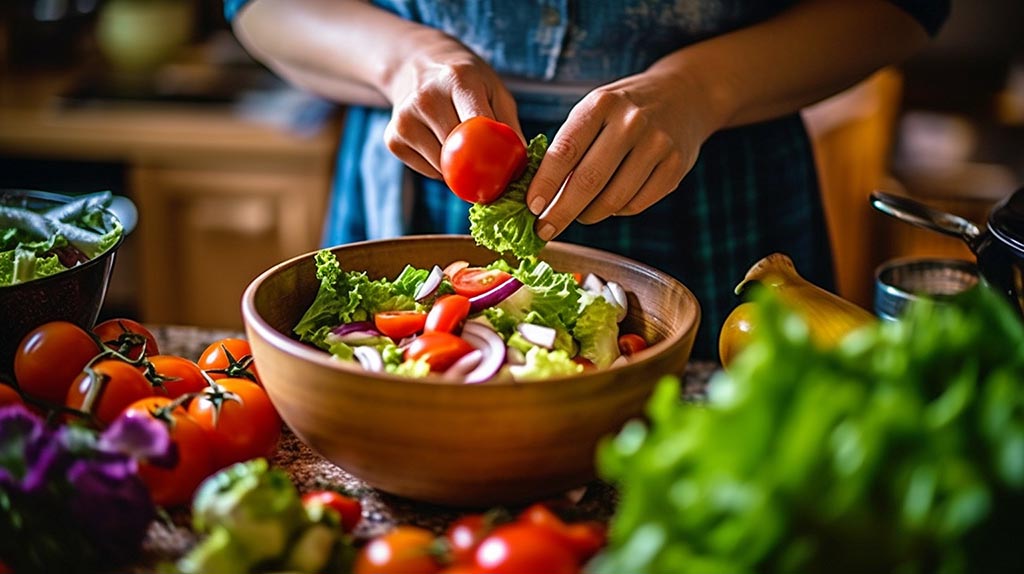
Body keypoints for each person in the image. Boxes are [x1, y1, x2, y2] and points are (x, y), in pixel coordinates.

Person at [225, 0, 948, 359]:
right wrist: (402, 59)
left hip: (720, 174)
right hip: (418, 166)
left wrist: (705, 88)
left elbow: (904, 9)